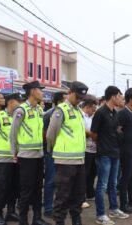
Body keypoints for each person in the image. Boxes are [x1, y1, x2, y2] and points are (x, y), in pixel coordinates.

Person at [46, 81, 89, 225]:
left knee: (78, 195)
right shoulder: (61, 110)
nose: (79, 100)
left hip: (79, 160)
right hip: (64, 162)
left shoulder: (78, 111)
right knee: (62, 196)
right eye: (77, 97)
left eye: (81, 98)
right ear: (69, 92)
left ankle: (76, 221)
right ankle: (60, 222)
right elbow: (51, 134)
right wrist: (54, 150)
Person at [10, 81, 50, 225]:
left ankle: (37, 218)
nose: (42, 92)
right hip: (26, 157)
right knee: (26, 190)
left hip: (38, 155)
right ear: (33, 91)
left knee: (38, 187)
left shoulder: (39, 110)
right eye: (40, 90)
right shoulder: (21, 110)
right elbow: (13, 133)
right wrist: (14, 152)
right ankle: (23, 220)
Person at [90, 86, 129, 225]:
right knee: (102, 185)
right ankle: (100, 215)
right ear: (113, 96)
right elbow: (93, 134)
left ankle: (114, 208)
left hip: (115, 153)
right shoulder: (100, 113)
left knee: (113, 183)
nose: (121, 99)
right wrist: (103, 144)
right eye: (120, 96)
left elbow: (117, 131)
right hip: (104, 154)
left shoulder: (115, 113)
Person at [0, 93, 24, 225]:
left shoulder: (19, 116)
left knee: (15, 186)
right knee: (3, 187)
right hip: (3, 158)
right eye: (18, 101)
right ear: (10, 102)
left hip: (17, 157)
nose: (20, 104)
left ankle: (11, 211)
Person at [42, 92, 67, 218]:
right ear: (59, 101)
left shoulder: (66, 112)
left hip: (63, 153)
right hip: (51, 152)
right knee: (51, 181)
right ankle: (48, 208)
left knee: (61, 182)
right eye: (65, 99)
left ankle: (58, 206)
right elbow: (46, 135)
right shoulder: (49, 114)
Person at [81, 98, 98, 208]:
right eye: (93, 108)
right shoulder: (80, 116)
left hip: (94, 149)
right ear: (87, 107)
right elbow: (83, 131)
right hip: (84, 149)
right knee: (84, 174)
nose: (94, 111)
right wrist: (91, 134)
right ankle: (82, 197)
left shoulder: (92, 117)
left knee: (92, 173)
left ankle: (90, 193)